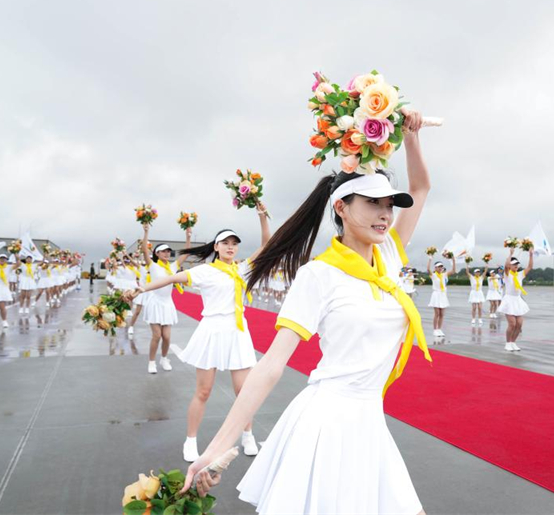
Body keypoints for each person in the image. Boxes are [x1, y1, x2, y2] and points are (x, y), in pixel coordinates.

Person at [180, 110, 431, 515]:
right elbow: (271, 366)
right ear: (342, 208)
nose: (386, 214)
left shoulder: (387, 259)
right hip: (327, 424)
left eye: (389, 205)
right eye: (373, 203)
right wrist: (217, 447)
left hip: (369, 421)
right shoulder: (319, 275)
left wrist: (412, 135)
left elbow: (420, 188)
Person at [125, 203, 271, 462]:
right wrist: (140, 290)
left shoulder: (242, 269)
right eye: (225, 243)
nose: (230, 247)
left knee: (243, 392)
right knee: (203, 392)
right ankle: (190, 441)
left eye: (234, 244)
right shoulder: (205, 271)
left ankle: (247, 435)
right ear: (216, 247)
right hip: (212, 330)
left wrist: (261, 217)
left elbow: (267, 244)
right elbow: (170, 279)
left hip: (237, 332)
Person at [139, 226, 192, 374]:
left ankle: (163, 358)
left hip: (167, 303)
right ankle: (151, 362)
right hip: (155, 303)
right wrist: (146, 232)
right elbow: (144, 250)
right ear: (157, 253)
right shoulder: (153, 265)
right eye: (164, 251)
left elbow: (187, 252)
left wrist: (188, 236)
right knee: (157, 336)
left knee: (167, 337)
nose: (167, 253)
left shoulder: (173, 266)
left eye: (169, 251)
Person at [498, 246, 533, 351]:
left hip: (517, 300)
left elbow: (530, 267)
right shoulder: (507, 274)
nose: (516, 266)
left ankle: (513, 342)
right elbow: (506, 265)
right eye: (514, 264)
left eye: (517, 264)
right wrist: (511, 253)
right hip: (509, 300)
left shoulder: (520, 274)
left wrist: (531, 255)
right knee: (512, 324)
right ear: (510, 266)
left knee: (519, 324)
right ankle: (507, 343)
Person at [427, 256, 455, 338]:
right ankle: (435, 330)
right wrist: (430, 259)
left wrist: (453, 260)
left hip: (443, 295)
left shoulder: (444, 275)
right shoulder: (433, 275)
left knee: (442, 313)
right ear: (435, 268)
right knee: (437, 313)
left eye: (441, 266)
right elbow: (428, 270)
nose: (440, 268)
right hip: (436, 294)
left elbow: (453, 271)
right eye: (438, 267)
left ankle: (439, 329)